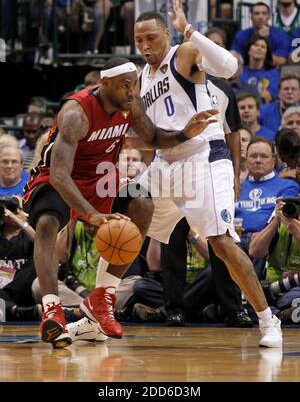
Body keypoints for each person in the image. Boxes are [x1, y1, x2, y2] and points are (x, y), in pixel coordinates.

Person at [23, 55, 217, 348]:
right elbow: (60, 176)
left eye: (134, 85)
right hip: (59, 177)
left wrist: (184, 134)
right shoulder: (76, 112)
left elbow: (151, 137)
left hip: (101, 179)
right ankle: (52, 311)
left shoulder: (131, 104)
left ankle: (102, 298)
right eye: (125, 86)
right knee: (48, 222)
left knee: (142, 204)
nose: (131, 91)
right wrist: (91, 215)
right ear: (105, 84)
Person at [134, 0, 283, 347]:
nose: (144, 46)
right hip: (164, 164)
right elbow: (149, 136)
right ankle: (98, 312)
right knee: (124, 218)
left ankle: (267, 319)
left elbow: (230, 66)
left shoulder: (183, 54)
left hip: (202, 158)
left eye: (151, 38)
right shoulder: (142, 76)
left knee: (220, 242)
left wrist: (190, 31)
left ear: (167, 34)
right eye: (138, 40)